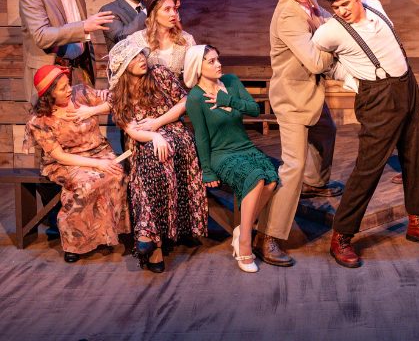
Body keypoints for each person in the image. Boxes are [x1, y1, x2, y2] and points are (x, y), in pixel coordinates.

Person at [312, 0, 419, 268]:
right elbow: (317, 63)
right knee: (369, 167)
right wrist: (352, 81)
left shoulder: (374, 5)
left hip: (406, 86)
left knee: (416, 156)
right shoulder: (328, 33)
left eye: (345, 4)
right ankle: (341, 235)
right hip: (378, 97)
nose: (342, 11)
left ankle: (417, 221)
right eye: (336, 7)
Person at [255, 0, 341, 267]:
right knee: (293, 166)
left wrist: (336, 26)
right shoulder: (288, 17)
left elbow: (328, 22)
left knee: (326, 132)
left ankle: (314, 183)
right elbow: (317, 61)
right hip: (292, 99)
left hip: (311, 93)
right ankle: (268, 236)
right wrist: (335, 46)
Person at [108, 37, 207, 273]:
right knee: (149, 161)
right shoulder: (118, 95)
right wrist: (154, 137)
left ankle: (148, 237)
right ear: (124, 66)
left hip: (174, 132)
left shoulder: (160, 74)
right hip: (142, 141)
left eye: (141, 54)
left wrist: (157, 124)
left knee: (152, 161)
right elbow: (132, 131)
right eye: (134, 58)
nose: (141, 59)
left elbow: (185, 101)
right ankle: (153, 242)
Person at [184, 45, 279, 272]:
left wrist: (228, 100)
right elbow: (201, 137)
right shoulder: (195, 98)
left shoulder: (231, 81)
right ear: (198, 67)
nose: (218, 64)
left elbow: (254, 110)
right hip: (221, 154)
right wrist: (207, 171)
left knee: (272, 180)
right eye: (211, 61)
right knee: (256, 178)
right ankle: (245, 242)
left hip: (245, 147)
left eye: (218, 59)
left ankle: (241, 229)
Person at [23, 65, 130, 263]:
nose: (69, 89)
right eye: (62, 88)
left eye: (68, 84)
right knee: (85, 184)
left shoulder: (81, 93)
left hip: (98, 151)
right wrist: (96, 165)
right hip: (66, 161)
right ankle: (75, 243)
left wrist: (93, 110)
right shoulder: (40, 121)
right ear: (49, 95)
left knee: (117, 175)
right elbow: (60, 156)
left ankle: (110, 234)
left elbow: (116, 100)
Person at [19, 0, 115, 104]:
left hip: (78, 69)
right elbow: (41, 36)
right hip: (51, 73)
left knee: (83, 116)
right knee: (52, 120)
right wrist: (83, 26)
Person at [127, 0, 195, 77]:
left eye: (174, 9)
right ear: (154, 14)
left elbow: (195, 74)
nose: (173, 13)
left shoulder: (186, 40)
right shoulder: (137, 40)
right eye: (167, 9)